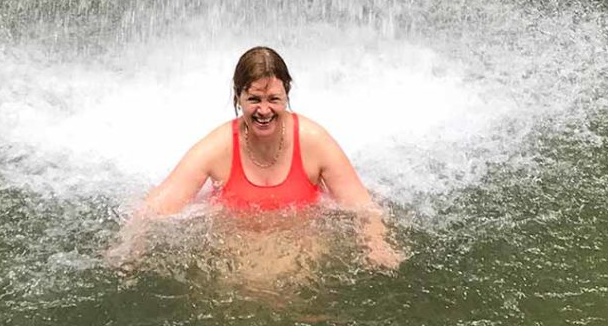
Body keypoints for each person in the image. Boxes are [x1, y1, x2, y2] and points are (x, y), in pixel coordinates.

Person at [114, 46, 404, 269]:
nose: (264, 111)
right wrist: (130, 244)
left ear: (286, 95)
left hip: (301, 262)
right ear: (238, 97)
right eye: (254, 99)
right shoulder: (218, 147)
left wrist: (376, 244)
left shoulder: (314, 142)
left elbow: (363, 207)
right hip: (237, 264)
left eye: (273, 99)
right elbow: (154, 207)